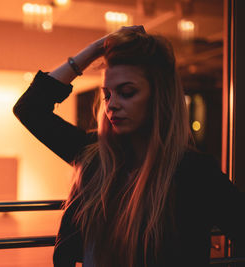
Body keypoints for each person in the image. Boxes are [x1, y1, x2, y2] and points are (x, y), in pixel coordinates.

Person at [13, 26, 245, 267]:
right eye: (107, 94)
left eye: (127, 92)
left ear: (158, 97)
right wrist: (95, 50)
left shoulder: (193, 171)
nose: (112, 105)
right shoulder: (94, 154)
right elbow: (30, 109)